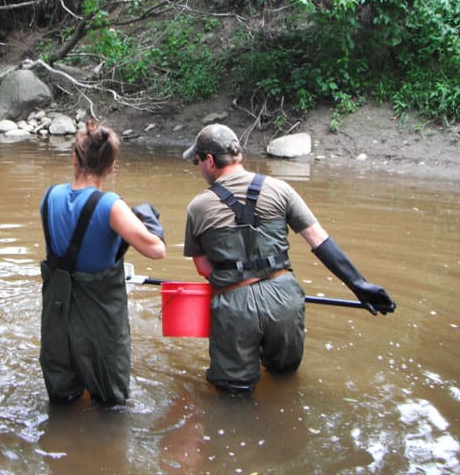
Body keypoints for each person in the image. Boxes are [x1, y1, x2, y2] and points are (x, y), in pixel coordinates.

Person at [182, 124, 395, 394]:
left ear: (209, 161)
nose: (198, 167)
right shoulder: (281, 189)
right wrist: (359, 285)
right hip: (284, 298)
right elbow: (319, 240)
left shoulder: (198, 207)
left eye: (196, 161)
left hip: (235, 304)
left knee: (231, 393)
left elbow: (203, 267)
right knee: (284, 378)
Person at [39, 121, 166, 405]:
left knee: (62, 403)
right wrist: (150, 223)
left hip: (56, 317)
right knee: (112, 405)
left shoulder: (49, 197)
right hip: (100, 323)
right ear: (110, 167)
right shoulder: (111, 205)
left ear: (74, 158)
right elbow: (157, 251)